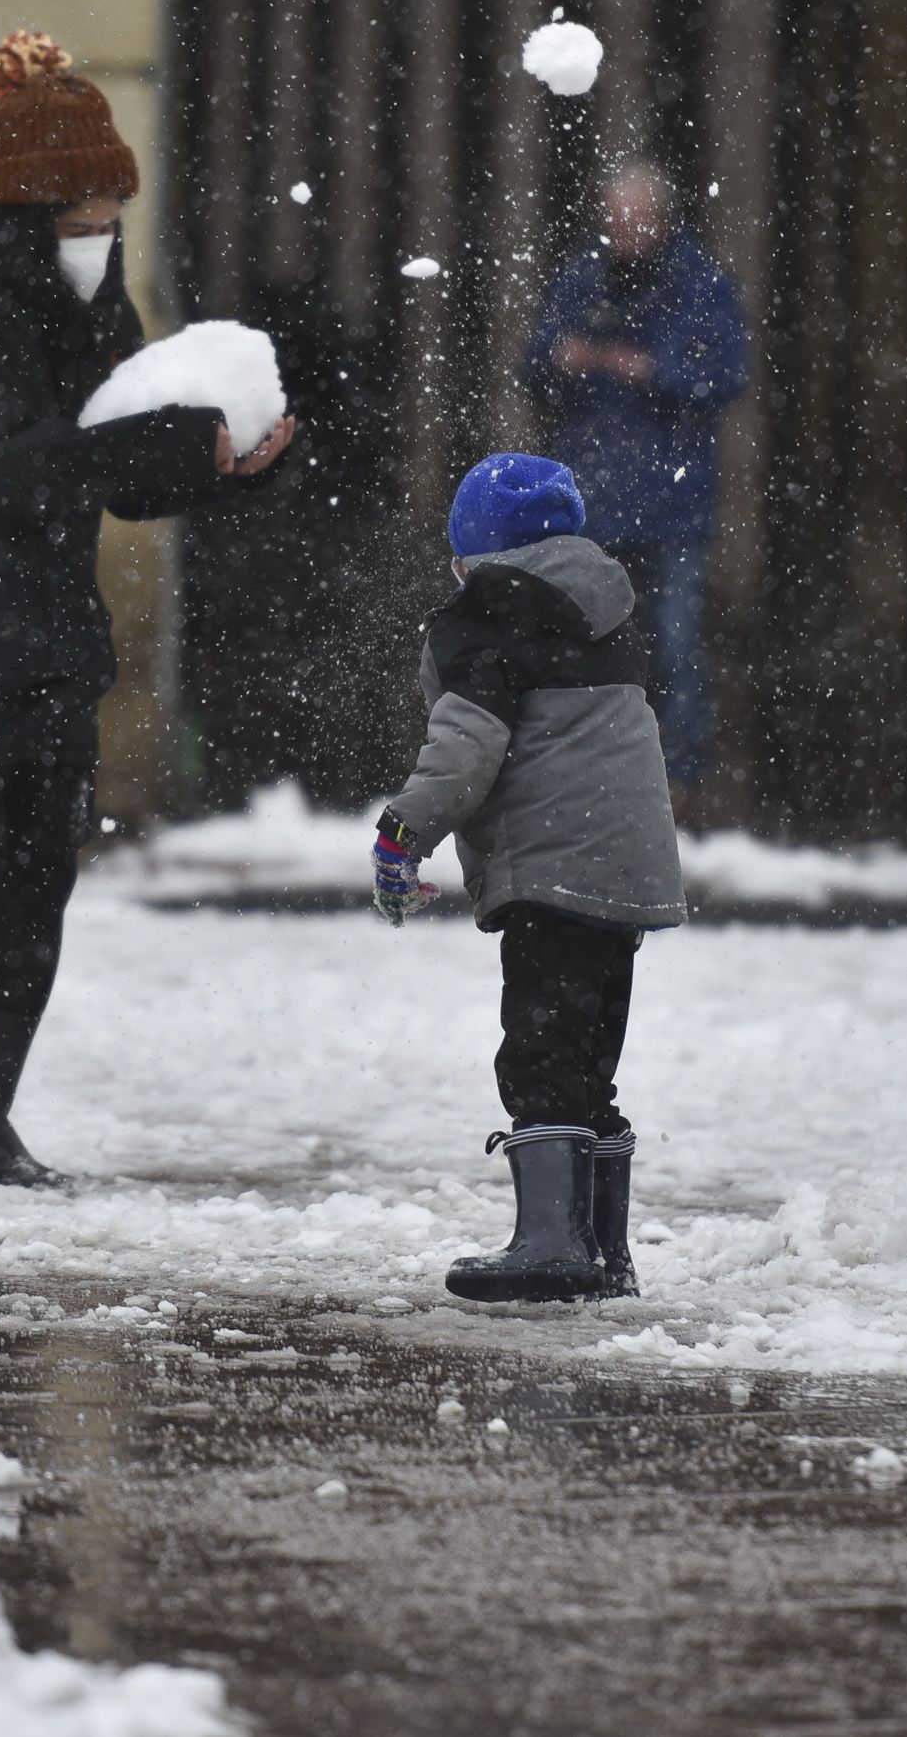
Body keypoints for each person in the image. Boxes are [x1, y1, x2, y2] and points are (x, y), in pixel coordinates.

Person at [0, 30, 293, 1189]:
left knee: (37, 876)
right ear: (30, 213)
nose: (101, 241)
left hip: (32, 629)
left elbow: (114, 471)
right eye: (82, 221)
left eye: (113, 217)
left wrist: (225, 461)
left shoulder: (89, 307)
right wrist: (149, 440)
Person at [370, 452, 688, 1304]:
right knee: (588, 1059)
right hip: (625, 868)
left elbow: (463, 752)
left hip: (552, 867)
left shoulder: (488, 620)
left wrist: (403, 832)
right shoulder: (607, 608)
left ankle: (552, 1244)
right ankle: (602, 1249)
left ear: (471, 553)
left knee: (542, 1051)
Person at [518, 168, 750, 787]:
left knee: (675, 646)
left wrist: (652, 370)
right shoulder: (581, 279)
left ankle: (680, 781)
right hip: (595, 497)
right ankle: (589, 777)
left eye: (637, 218)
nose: (625, 231)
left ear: (664, 219)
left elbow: (728, 375)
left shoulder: (702, 285)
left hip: (674, 501)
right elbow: (532, 367)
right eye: (615, 218)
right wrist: (561, 360)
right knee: (583, 646)